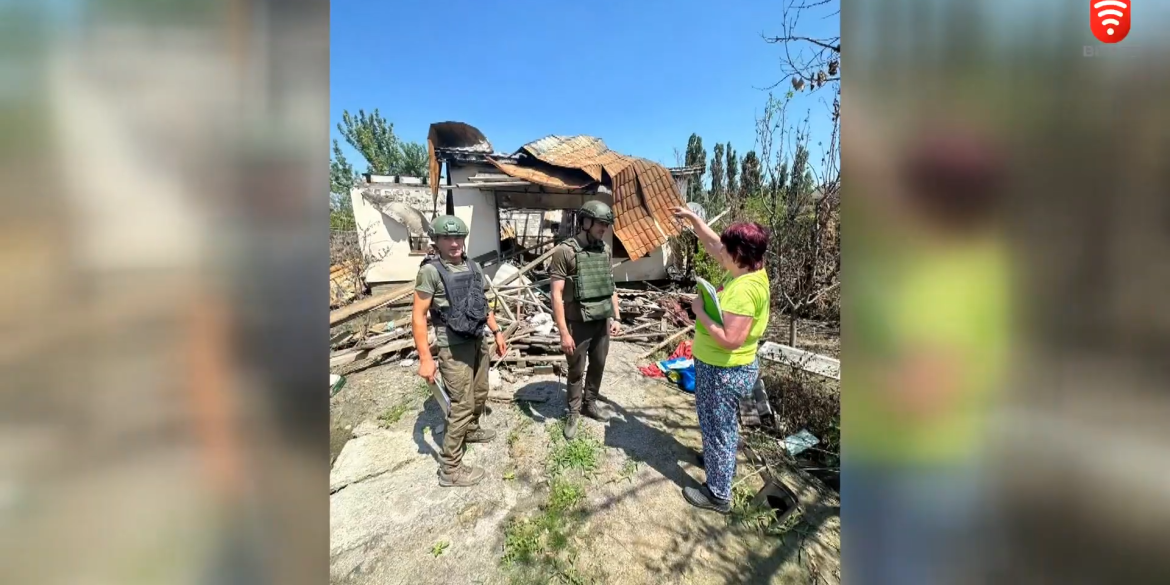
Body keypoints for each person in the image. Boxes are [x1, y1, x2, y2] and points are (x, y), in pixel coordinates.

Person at [671, 207, 771, 514]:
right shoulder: (748, 269)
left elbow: (731, 339)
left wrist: (698, 311)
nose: (721, 253)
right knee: (718, 426)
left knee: (719, 428)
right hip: (721, 369)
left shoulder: (744, 291)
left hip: (724, 372)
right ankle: (718, 463)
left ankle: (718, 495)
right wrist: (694, 220)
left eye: (727, 250)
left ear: (738, 254)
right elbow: (715, 243)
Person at [412, 215, 508, 487]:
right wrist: (425, 358)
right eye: (447, 238)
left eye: (458, 238)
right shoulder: (430, 271)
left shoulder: (473, 267)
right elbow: (418, 317)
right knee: (462, 404)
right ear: (437, 242)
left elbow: (481, 303)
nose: (454, 243)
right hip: (453, 349)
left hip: (478, 340)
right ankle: (450, 469)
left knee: (480, 393)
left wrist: (497, 331)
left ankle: (472, 430)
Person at [549, 200, 622, 440]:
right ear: (587, 222)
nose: (604, 229)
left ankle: (589, 402)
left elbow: (610, 285)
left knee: (598, 364)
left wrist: (616, 317)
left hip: (601, 321)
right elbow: (556, 294)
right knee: (575, 370)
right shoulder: (565, 251)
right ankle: (573, 411)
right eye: (601, 224)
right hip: (577, 323)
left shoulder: (604, 250)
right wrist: (563, 332)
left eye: (606, 225)